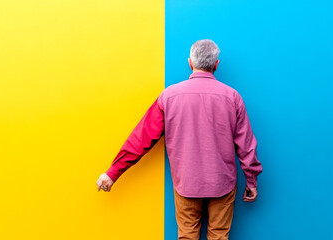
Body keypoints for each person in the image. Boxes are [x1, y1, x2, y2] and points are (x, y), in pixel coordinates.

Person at [96, 39, 263, 240]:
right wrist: (251, 179)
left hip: (187, 183)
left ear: (190, 63)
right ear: (216, 65)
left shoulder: (169, 96)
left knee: (187, 236)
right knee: (219, 236)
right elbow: (246, 145)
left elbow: (142, 138)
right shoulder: (232, 97)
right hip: (222, 183)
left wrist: (113, 172)